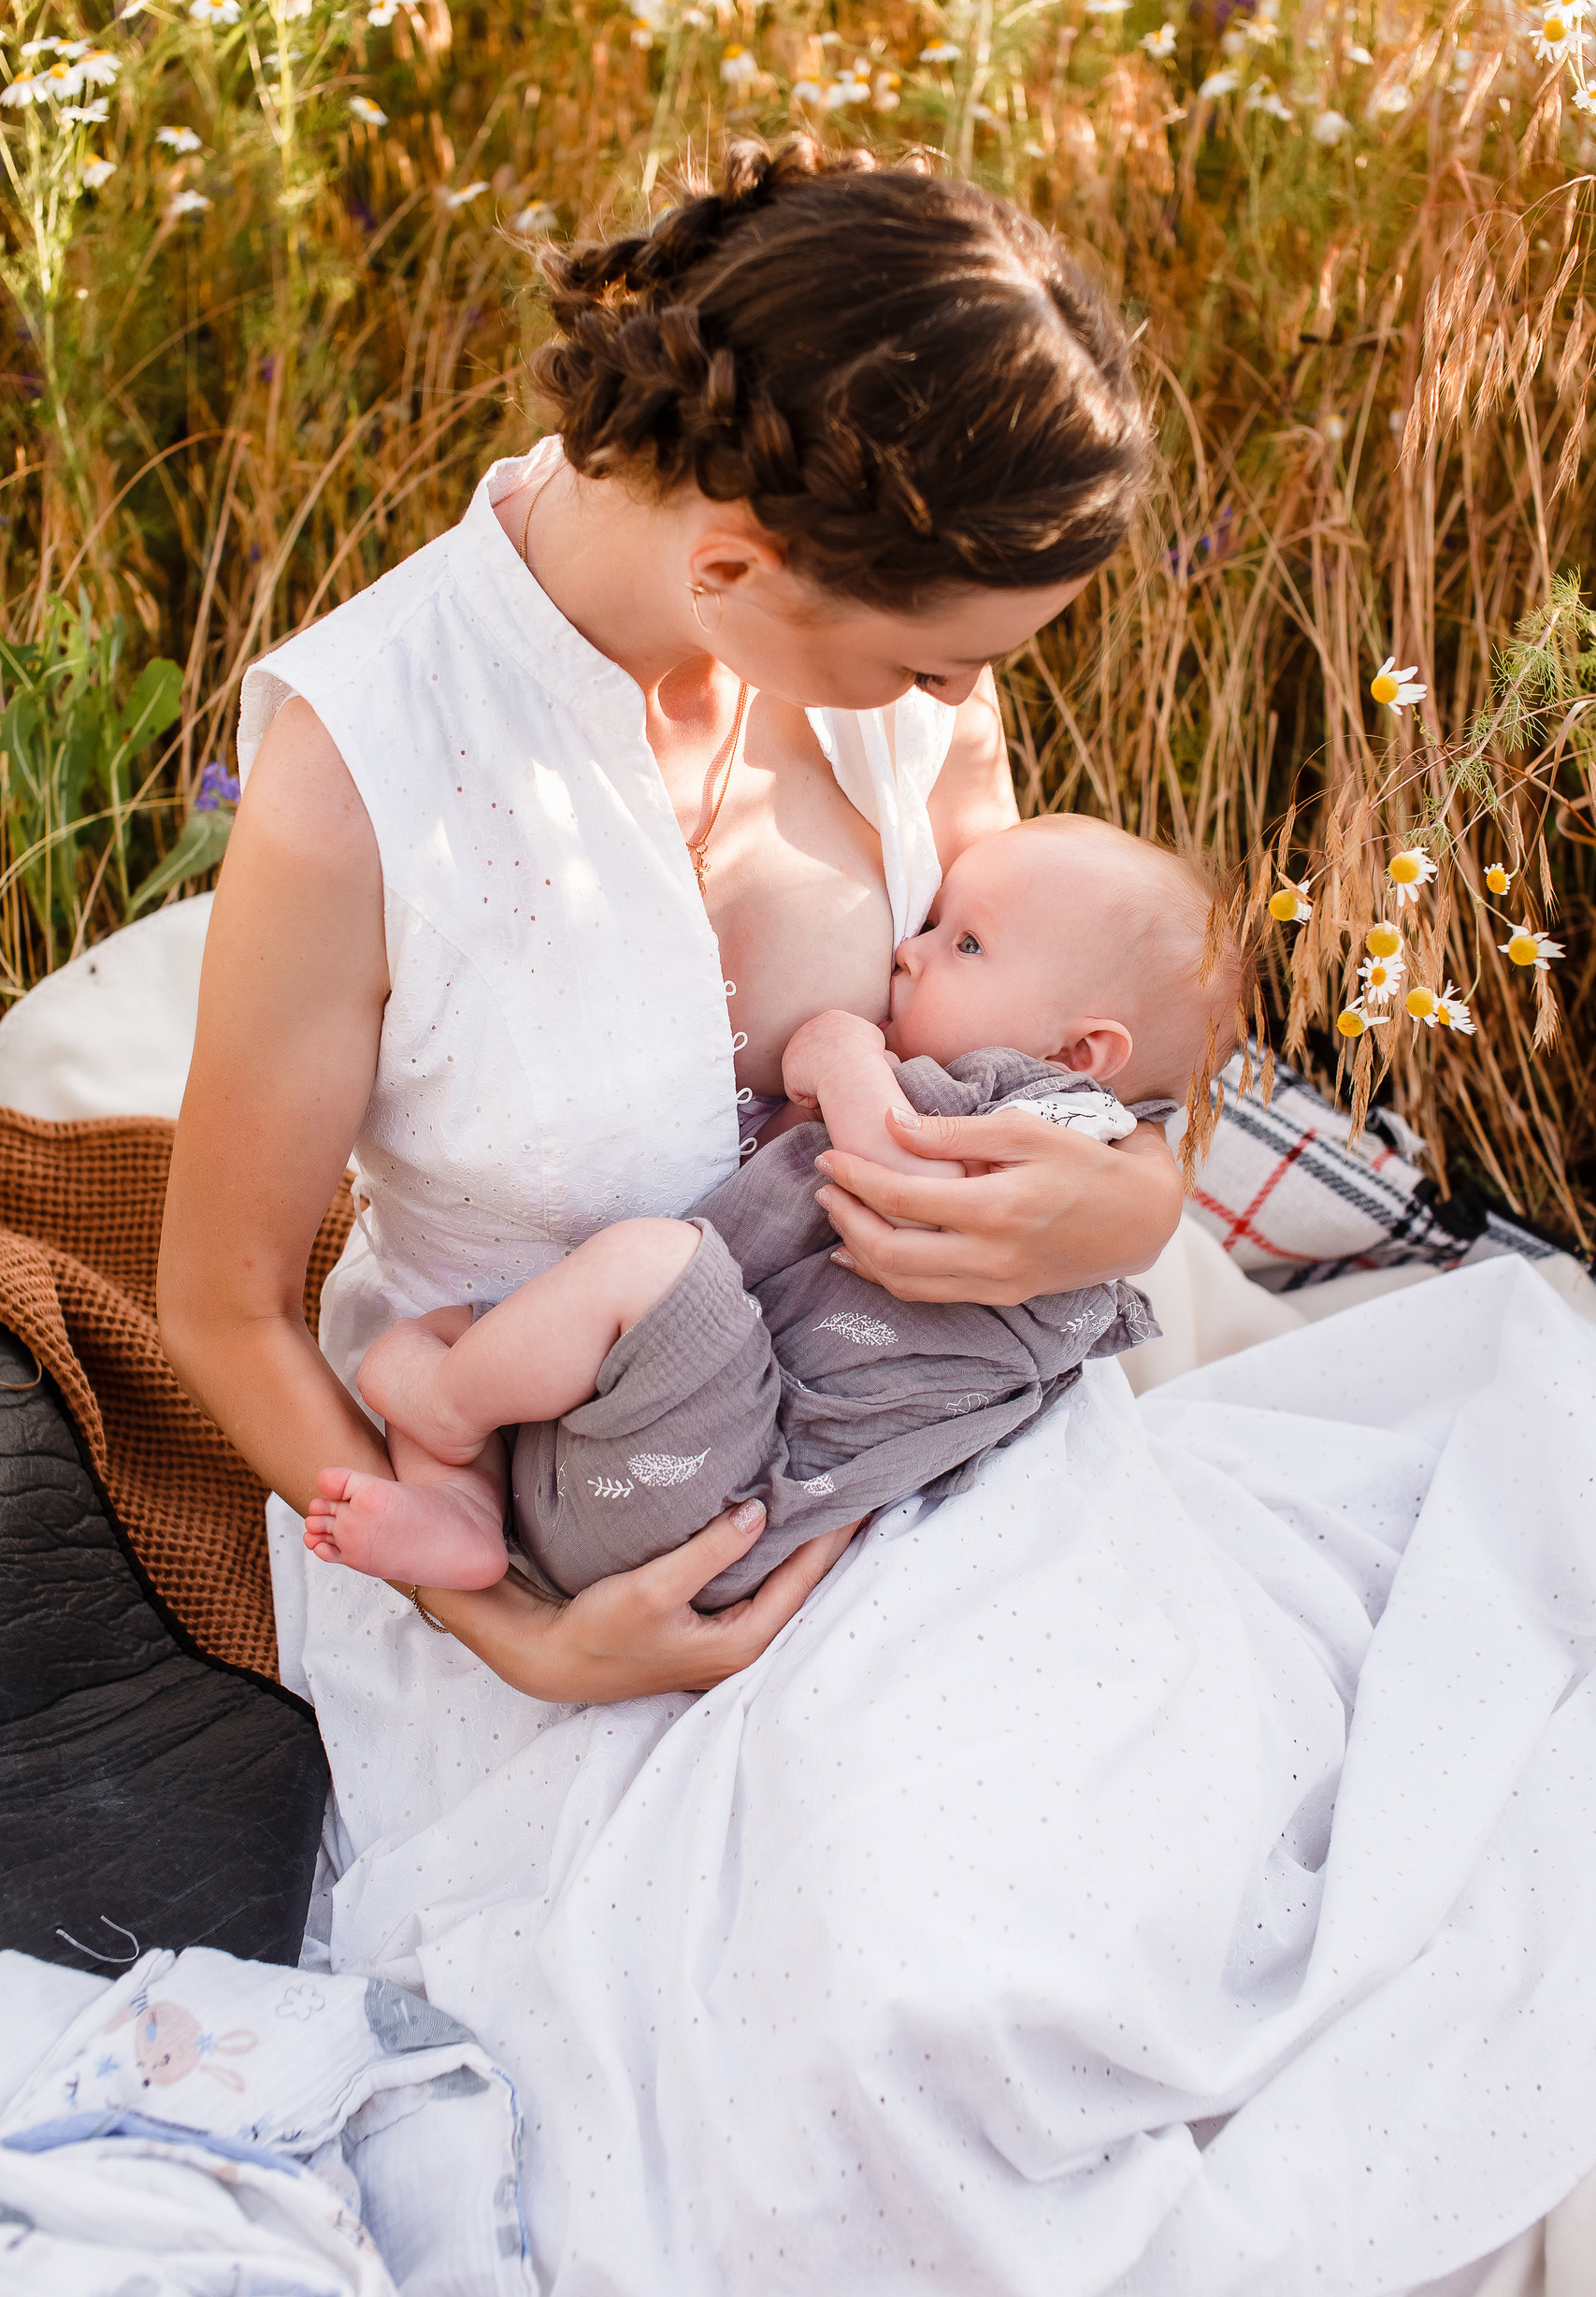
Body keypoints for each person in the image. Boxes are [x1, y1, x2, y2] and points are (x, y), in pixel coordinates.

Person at [157, 136, 1181, 1703]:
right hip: (555, 1522)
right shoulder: (357, 777)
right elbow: (221, 1307)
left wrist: (1138, 1205)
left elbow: (1042, 1042)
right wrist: (528, 1641)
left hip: (926, 1443)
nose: (967, 705)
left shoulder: (888, 669)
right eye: (931, 667)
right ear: (734, 569)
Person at [302, 816, 1234, 1604]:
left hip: (732, 1482)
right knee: (477, 1322)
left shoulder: (1039, 1116)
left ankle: (447, 1411)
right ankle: (462, 1512)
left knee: (642, 1269)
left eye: (967, 943)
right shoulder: (1083, 1127)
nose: (909, 950)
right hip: (662, 1462)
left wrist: (838, 1049)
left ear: (1081, 1053)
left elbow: (909, 1192)